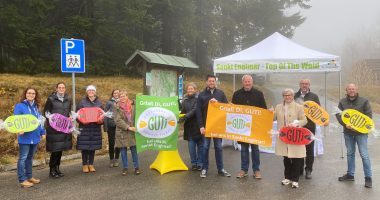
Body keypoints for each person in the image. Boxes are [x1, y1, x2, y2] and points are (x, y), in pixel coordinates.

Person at [335, 83, 372, 188]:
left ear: (357, 89)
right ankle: (350, 174)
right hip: (348, 133)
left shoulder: (364, 101)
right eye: (349, 89)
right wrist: (345, 124)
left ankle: (368, 178)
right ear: (346, 90)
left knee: (364, 155)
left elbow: (369, 116)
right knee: (350, 154)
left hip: (361, 133)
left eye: (353, 89)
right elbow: (338, 115)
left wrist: (358, 126)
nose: (351, 90)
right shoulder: (342, 102)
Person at [232, 75, 267, 179]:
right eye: (245, 81)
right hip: (242, 127)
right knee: (244, 149)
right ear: (243, 82)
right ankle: (244, 170)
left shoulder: (259, 94)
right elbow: (232, 110)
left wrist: (269, 113)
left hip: (255, 127)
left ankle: (256, 170)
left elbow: (263, 110)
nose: (247, 83)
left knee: (255, 149)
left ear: (252, 82)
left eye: (249, 81)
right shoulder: (236, 94)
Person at [196, 75, 231, 178]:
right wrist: (201, 126)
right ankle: (204, 168)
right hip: (206, 126)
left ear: (215, 82)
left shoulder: (220, 93)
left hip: (217, 126)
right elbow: (198, 112)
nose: (212, 82)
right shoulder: (201, 95)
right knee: (205, 147)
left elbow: (226, 107)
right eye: (210, 81)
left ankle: (220, 169)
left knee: (219, 147)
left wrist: (218, 103)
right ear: (206, 82)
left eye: (213, 81)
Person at [274, 88, 307, 188]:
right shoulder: (278, 107)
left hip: (295, 136)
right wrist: (270, 112)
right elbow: (273, 118)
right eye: (285, 95)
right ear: (283, 97)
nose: (287, 97)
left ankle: (295, 179)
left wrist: (297, 123)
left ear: (293, 96)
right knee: (286, 157)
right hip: (283, 136)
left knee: (296, 157)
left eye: (289, 95)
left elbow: (304, 120)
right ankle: (287, 177)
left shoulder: (299, 107)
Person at [15, 87, 46, 188]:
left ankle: (29, 177)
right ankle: (22, 179)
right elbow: (16, 120)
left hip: (35, 136)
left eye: (33, 93)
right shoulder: (20, 106)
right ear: (25, 94)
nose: (31, 95)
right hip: (25, 137)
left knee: (30, 158)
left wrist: (42, 132)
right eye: (29, 93)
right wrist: (19, 129)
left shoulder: (37, 107)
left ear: (35, 95)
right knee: (23, 158)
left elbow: (40, 121)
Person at [44, 82, 72, 178]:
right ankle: (52, 170)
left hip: (64, 128)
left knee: (60, 150)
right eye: (59, 87)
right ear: (56, 89)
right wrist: (52, 123)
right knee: (55, 150)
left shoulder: (68, 99)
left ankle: (57, 168)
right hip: (54, 129)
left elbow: (69, 112)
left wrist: (70, 118)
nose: (61, 89)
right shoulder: (51, 99)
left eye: (63, 87)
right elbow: (46, 113)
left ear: (65, 89)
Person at [294, 79, 321, 179]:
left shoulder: (314, 96)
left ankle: (308, 169)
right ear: (300, 84)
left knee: (309, 149)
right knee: (299, 147)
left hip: (310, 126)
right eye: (302, 84)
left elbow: (319, 111)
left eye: (306, 84)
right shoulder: (295, 95)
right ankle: (299, 168)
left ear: (309, 85)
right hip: (298, 126)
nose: (304, 85)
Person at [76, 85, 103, 173]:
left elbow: (103, 115)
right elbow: (77, 115)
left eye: (92, 90)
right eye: (89, 90)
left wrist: (101, 121)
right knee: (84, 147)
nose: (91, 92)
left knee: (92, 147)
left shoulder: (99, 103)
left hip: (95, 128)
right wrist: (81, 121)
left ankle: (91, 164)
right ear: (87, 92)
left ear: (95, 92)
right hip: (84, 128)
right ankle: (84, 164)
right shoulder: (82, 102)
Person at [113, 90, 140, 175]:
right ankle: (125, 167)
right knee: (123, 151)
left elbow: (139, 113)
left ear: (127, 96)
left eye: (124, 96)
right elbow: (117, 120)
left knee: (134, 150)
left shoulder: (134, 105)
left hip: (133, 130)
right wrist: (128, 127)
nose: (122, 98)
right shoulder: (116, 107)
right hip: (122, 131)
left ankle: (136, 167)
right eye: (120, 96)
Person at [180, 82, 203, 171]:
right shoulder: (184, 100)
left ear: (195, 90)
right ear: (187, 90)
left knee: (200, 147)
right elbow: (182, 112)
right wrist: (178, 117)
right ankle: (193, 163)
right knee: (191, 147)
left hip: (198, 126)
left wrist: (184, 117)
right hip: (189, 127)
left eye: (192, 89)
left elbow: (194, 110)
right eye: (189, 89)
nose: (190, 90)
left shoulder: (198, 99)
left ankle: (200, 163)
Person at [104, 89, 120, 167]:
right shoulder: (109, 102)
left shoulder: (122, 102)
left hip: (120, 126)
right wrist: (105, 126)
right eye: (115, 93)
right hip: (111, 126)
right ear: (112, 94)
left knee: (118, 143)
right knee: (111, 143)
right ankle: (111, 159)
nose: (116, 94)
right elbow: (105, 114)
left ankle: (117, 159)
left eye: (117, 93)